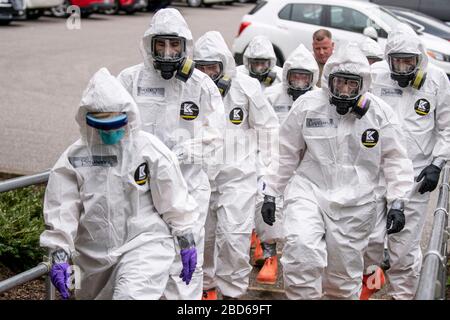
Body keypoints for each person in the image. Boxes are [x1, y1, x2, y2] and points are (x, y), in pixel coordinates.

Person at [261, 43, 414, 299]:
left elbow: (396, 160)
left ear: (362, 84)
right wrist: (271, 192)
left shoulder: (379, 114)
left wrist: (398, 202)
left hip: (357, 203)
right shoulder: (308, 106)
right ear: (328, 80)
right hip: (309, 191)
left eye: (351, 84)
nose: (344, 90)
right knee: (300, 251)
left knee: (342, 277)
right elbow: (285, 152)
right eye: (339, 83)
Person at [40, 68, 199, 300]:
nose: (110, 131)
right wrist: (59, 250)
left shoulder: (148, 150)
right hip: (93, 257)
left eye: (116, 123)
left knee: (131, 296)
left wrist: (185, 236)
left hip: (144, 243)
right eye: (102, 125)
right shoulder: (75, 158)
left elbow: (172, 196)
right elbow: (62, 208)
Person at [117, 8, 225, 300]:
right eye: (160, 44)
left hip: (188, 191)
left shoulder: (200, 86)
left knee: (184, 268)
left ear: (185, 46)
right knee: (140, 263)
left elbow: (216, 135)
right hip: (140, 193)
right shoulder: (130, 80)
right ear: (149, 45)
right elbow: (114, 129)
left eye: (174, 44)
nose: (167, 52)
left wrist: (177, 155)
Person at [363, 24, 450, 300]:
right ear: (387, 59)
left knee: (403, 244)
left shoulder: (437, 81)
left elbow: (448, 127)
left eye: (408, 62)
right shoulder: (376, 77)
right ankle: (368, 279)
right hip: (376, 171)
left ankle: (404, 295)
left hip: (416, 176)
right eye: (397, 61)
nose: (402, 68)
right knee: (369, 235)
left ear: (419, 59)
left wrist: (437, 163)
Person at [193, 31, 279, 300]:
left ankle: (232, 294)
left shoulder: (246, 87)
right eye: (202, 67)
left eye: (213, 68)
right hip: (198, 176)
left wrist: (268, 179)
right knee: (202, 239)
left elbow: (269, 132)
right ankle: (206, 288)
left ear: (224, 66)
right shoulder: (188, 87)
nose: (207, 74)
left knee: (233, 237)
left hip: (237, 176)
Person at [252, 43, 320, 285]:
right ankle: (269, 255)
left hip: (307, 168)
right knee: (265, 202)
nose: (300, 82)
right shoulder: (270, 97)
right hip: (273, 160)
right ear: (287, 75)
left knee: (301, 217)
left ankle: (298, 262)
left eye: (305, 77)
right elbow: (259, 129)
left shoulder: (320, 101)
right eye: (295, 76)